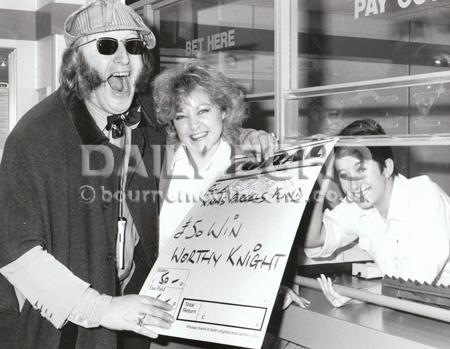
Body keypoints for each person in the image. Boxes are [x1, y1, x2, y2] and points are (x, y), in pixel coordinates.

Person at [0, 1, 276, 348]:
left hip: (143, 323)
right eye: (106, 45)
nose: (123, 59)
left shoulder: (146, 114)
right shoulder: (35, 136)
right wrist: (104, 309)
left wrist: (245, 136)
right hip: (73, 330)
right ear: (76, 62)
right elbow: (18, 254)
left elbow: (200, 124)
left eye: (132, 47)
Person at [151, 60, 309, 349]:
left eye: (203, 111)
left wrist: (272, 285)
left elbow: (272, 234)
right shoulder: (163, 164)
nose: (194, 125)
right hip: (167, 315)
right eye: (181, 116)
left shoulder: (250, 164)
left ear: (223, 110)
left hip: (229, 318)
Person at [304, 118, 450, 307]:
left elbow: (412, 285)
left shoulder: (425, 197)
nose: (354, 185)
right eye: (343, 176)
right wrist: (318, 183)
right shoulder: (359, 205)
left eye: (361, 169)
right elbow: (313, 240)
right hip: (417, 310)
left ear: (387, 168)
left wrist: (360, 295)